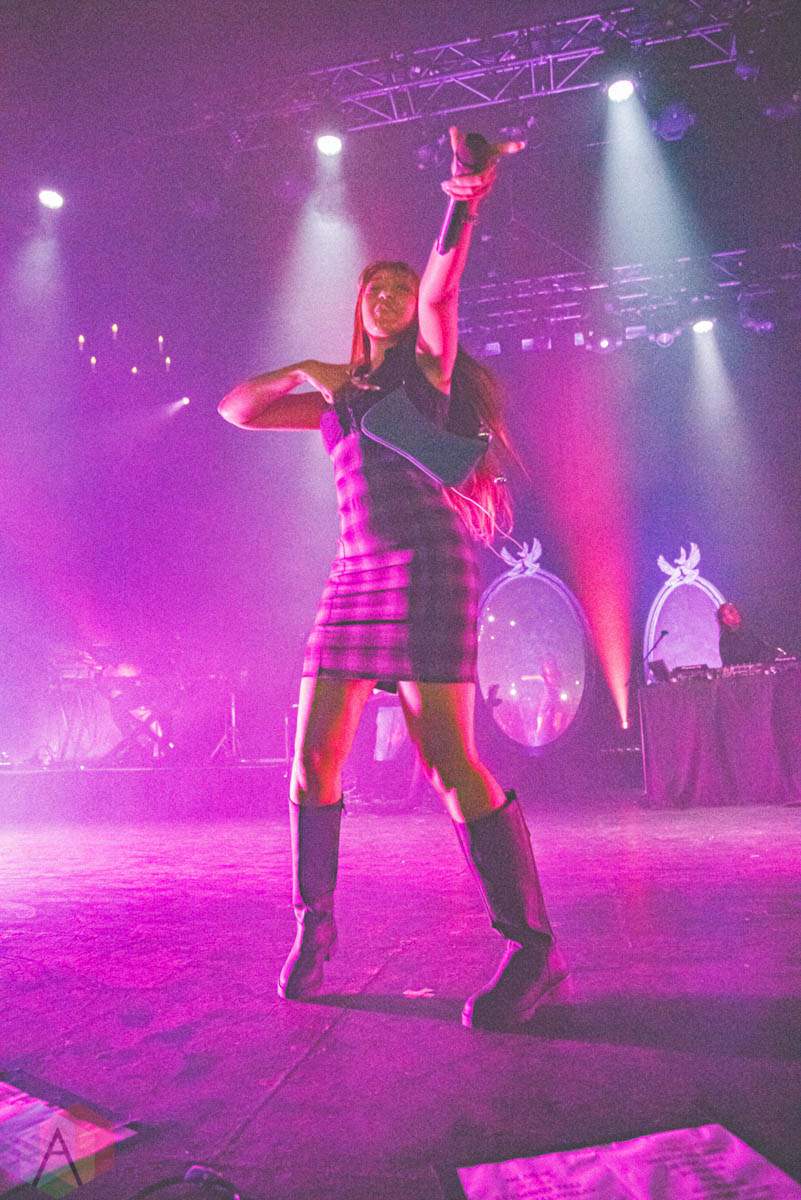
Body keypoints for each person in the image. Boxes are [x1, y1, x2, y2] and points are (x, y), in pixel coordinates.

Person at [218, 128, 570, 1030]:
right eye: (374, 287)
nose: (388, 296)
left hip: (428, 569)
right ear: (358, 305)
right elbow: (238, 408)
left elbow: (445, 285)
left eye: (399, 289)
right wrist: (308, 369)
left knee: (450, 763)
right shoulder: (334, 399)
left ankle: (532, 951)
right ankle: (315, 924)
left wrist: (462, 202)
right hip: (355, 576)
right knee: (310, 761)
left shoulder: (427, 374)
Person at [716, 602, 776, 667]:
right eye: (731, 611)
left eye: (736, 610)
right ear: (724, 619)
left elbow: (764, 649)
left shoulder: (749, 633)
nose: (736, 612)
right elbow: (730, 664)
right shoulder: (725, 641)